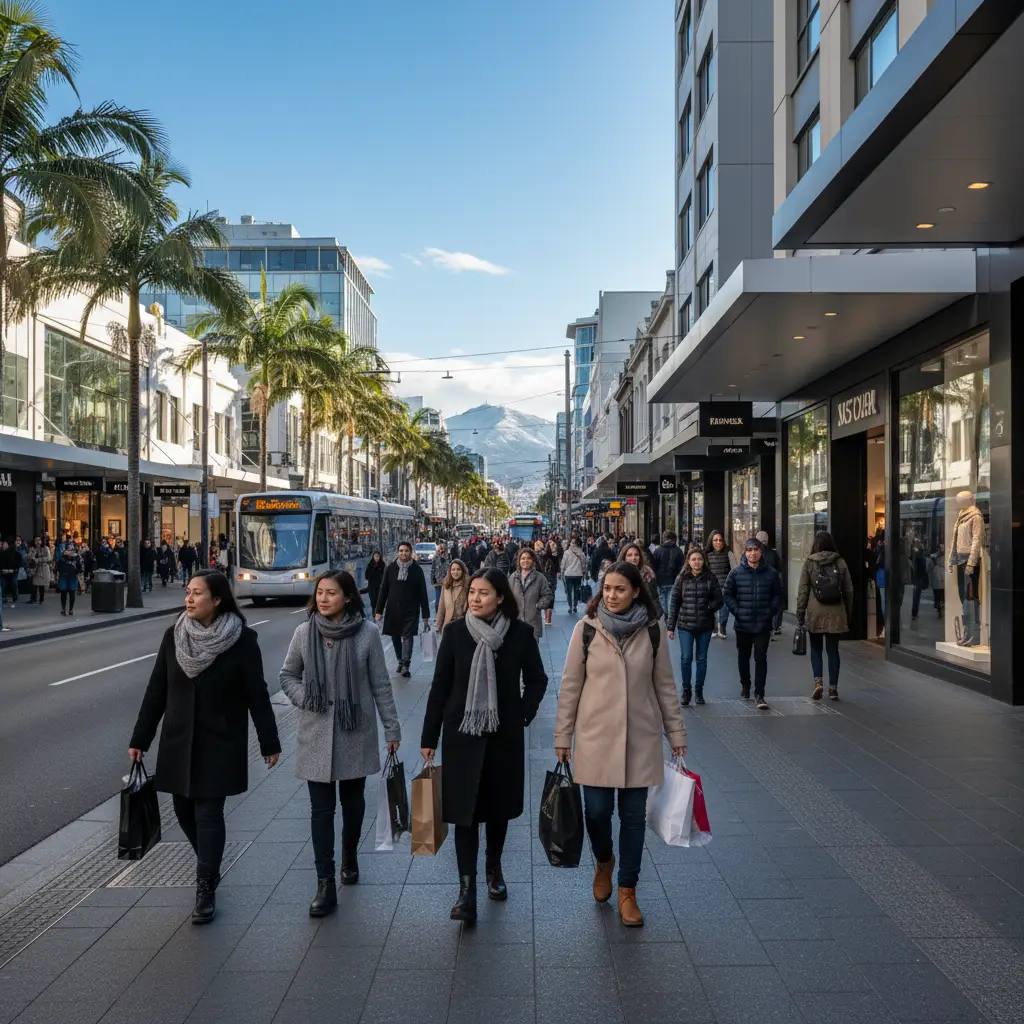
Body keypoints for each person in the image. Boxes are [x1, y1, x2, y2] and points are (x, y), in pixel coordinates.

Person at [129, 570, 281, 924]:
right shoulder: (174, 635)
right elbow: (157, 690)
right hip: (179, 739)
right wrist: (141, 738)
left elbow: (257, 694)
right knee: (183, 810)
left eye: (197, 593)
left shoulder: (242, 639)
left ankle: (205, 886)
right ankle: (209, 862)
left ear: (217, 599)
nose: (189, 598)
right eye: (188, 591)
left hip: (220, 740)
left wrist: (269, 741)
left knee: (209, 813)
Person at [554, 561, 686, 927]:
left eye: (620, 589)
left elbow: (665, 686)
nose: (611, 596)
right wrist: (563, 735)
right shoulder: (586, 629)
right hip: (595, 737)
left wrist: (676, 734)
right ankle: (604, 861)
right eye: (607, 588)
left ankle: (628, 889)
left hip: (639, 738)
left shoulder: (652, 630)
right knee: (596, 813)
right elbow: (570, 686)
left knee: (632, 818)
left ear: (635, 592)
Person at [420, 568, 548, 922]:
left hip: (503, 737)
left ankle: (494, 867)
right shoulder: (455, 632)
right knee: (464, 814)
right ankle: (466, 890)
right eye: (473, 592)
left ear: (500, 598)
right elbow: (440, 686)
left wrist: (521, 714)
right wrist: (429, 737)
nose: (475, 598)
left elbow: (537, 680)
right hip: (461, 735)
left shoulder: (520, 634)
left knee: (497, 810)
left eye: (484, 593)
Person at [279, 570, 401, 916]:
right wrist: (306, 698)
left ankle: (349, 853)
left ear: (348, 597)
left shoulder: (367, 633)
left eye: (331, 593)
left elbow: (380, 684)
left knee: (352, 804)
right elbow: (287, 675)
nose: (323, 598)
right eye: (320, 592)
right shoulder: (304, 632)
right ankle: (325, 882)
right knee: (321, 810)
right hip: (315, 732)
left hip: (354, 731)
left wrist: (392, 729)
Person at [722, 537, 784, 710]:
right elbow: (727, 593)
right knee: (743, 657)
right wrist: (738, 611)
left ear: (761, 552)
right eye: (749, 550)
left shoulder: (771, 573)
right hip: (743, 624)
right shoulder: (736, 573)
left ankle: (760, 693)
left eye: (756, 550)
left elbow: (778, 595)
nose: (752, 553)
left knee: (761, 657)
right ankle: (745, 684)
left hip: (762, 624)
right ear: (745, 552)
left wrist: (770, 612)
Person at [795, 532, 854, 701]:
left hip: (815, 612)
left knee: (816, 649)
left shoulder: (810, 562)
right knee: (833, 650)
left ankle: (818, 682)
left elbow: (803, 590)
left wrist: (800, 613)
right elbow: (849, 590)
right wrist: (847, 612)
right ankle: (833, 689)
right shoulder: (840, 561)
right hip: (835, 612)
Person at [666, 547, 723, 706]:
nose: (697, 562)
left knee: (701, 659)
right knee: (686, 658)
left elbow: (719, 599)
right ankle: (686, 690)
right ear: (689, 562)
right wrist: (670, 626)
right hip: (685, 625)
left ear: (703, 561)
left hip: (705, 625)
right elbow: (674, 602)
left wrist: (710, 607)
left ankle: (699, 691)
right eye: (693, 559)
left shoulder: (710, 578)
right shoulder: (682, 578)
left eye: (699, 559)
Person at [375, 541, 430, 678]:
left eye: (406, 551)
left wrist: (425, 615)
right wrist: (379, 610)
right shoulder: (391, 568)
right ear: (398, 552)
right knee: (395, 635)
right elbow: (383, 590)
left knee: (407, 636)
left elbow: (423, 593)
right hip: (393, 609)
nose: (403, 553)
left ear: (410, 552)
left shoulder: (417, 570)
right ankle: (400, 660)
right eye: (401, 551)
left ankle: (405, 664)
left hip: (411, 610)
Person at [509, 547, 553, 640]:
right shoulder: (513, 577)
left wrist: (538, 605)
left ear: (533, 560)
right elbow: (507, 595)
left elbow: (547, 594)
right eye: (523, 558)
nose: (525, 561)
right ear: (519, 561)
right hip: (516, 622)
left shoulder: (539, 578)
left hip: (533, 621)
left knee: (532, 647)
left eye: (528, 558)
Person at [705, 531, 736, 638]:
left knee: (724, 607)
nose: (718, 542)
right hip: (711, 586)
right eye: (715, 540)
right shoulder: (706, 554)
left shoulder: (729, 553)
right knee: (711, 607)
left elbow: (734, 570)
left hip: (725, 586)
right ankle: (713, 627)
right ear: (711, 541)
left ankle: (722, 626)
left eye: (720, 540)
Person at [620, 542, 663, 619]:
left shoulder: (648, 573)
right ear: (624, 557)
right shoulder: (618, 573)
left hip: (645, 616)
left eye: (636, 555)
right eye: (629, 555)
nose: (633, 558)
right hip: (623, 616)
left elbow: (654, 596)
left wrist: (655, 614)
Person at [755, 531, 784, 637]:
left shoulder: (755, 553)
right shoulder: (773, 553)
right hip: (773, 582)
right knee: (775, 604)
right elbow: (779, 569)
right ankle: (775, 626)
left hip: (760, 584)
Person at [436, 558, 470, 633]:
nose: (455, 572)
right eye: (453, 569)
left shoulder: (468, 585)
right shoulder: (446, 585)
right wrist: (438, 625)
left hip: (463, 626)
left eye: (458, 569)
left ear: (463, 571)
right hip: (448, 625)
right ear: (450, 571)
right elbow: (441, 607)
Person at [560, 536, 587, 615]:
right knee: (576, 591)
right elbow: (584, 564)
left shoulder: (567, 553)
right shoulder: (581, 553)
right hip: (578, 574)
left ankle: (570, 606)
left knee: (569, 591)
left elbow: (563, 564)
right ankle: (575, 606)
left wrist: (562, 572)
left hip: (568, 574)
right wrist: (584, 573)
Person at [56, 542, 83, 615]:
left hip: (72, 576)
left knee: (72, 592)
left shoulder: (77, 557)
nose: (69, 551)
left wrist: (77, 570)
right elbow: (57, 566)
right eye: (68, 549)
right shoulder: (62, 557)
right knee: (63, 592)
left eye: (71, 549)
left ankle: (71, 609)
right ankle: (63, 609)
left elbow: (80, 567)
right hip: (63, 575)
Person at [538, 539, 561, 624]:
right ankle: (548, 618)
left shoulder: (542, 556)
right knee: (551, 597)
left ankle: (546, 616)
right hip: (552, 578)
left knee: (545, 596)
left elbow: (539, 568)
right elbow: (558, 569)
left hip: (544, 578)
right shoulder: (555, 557)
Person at [26, 536, 52, 605]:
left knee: (41, 584)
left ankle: (41, 599)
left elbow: (49, 558)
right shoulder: (32, 548)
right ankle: (33, 598)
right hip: (34, 569)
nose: (38, 542)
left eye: (39, 540)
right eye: (36, 540)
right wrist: (32, 554)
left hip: (43, 568)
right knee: (34, 583)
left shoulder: (46, 548)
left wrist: (38, 560)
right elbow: (28, 557)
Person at [0, 539, 20, 606]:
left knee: (14, 583)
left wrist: (14, 569)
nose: (3, 545)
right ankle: (2, 597)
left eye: (4, 544)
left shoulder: (14, 552)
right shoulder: (1, 553)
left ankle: (15, 597)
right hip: (4, 572)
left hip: (13, 571)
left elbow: (19, 561)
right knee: (2, 583)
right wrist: (2, 570)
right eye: (3, 544)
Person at [430, 543, 450, 609]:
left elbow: (449, 569)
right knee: (438, 601)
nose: (441, 551)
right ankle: (438, 614)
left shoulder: (448, 558)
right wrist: (432, 580)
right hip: (438, 582)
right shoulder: (435, 558)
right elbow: (432, 570)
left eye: (443, 549)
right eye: (440, 549)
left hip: (446, 582)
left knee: (446, 601)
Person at [929, 540, 945, 617]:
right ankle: (940, 607)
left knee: (938, 595)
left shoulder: (934, 557)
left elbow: (929, 567)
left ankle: (939, 608)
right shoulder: (944, 557)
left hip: (938, 579)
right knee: (941, 594)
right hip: (942, 578)